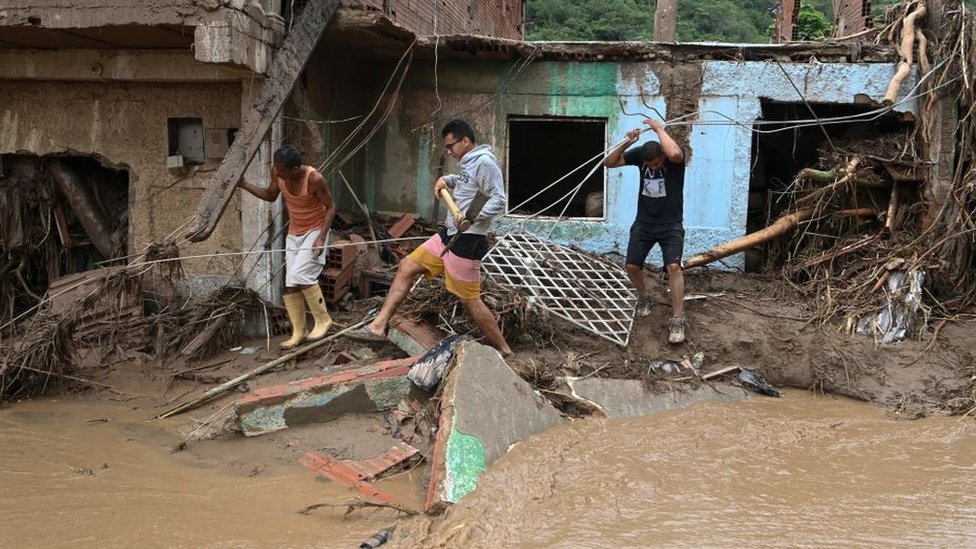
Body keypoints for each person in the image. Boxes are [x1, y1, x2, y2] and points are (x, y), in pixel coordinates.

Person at [347, 119, 513, 356]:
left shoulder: (485, 162)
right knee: (407, 266)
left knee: (470, 300)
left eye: (451, 146)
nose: (448, 151)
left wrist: (471, 218)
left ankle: (504, 349)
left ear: (465, 141)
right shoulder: (469, 162)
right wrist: (448, 180)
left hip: (468, 240)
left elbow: (498, 199)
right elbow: (467, 184)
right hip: (449, 235)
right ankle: (377, 326)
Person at [237, 144, 336, 350]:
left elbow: (330, 207)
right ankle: (299, 331)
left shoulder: (314, 178)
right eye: (276, 169)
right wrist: (245, 185)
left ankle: (323, 320)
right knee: (290, 282)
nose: (277, 173)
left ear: (295, 169)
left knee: (301, 275)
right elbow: (270, 195)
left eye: (281, 170)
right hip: (295, 232)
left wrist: (321, 238)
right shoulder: (279, 174)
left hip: (314, 231)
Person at [603, 118, 688, 344]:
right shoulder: (641, 154)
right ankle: (644, 297)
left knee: (673, 267)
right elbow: (608, 163)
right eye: (649, 165)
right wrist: (627, 143)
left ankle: (678, 318)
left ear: (662, 157)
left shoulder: (673, 158)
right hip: (644, 223)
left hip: (671, 224)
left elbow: (676, 154)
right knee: (631, 266)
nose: (653, 168)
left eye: (656, 164)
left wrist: (659, 128)